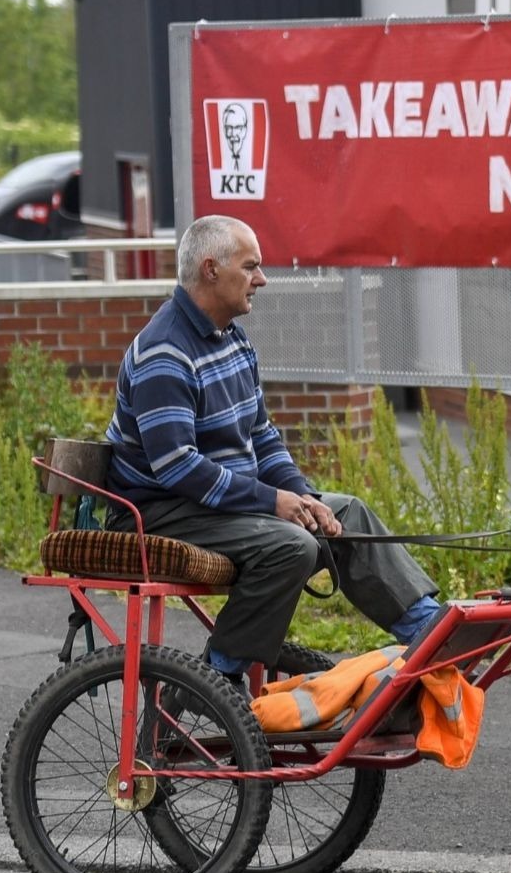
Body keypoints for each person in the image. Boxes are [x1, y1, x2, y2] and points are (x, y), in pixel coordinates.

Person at [105, 214, 441, 685]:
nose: (261, 279)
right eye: (250, 267)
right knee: (291, 547)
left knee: (347, 514)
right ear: (210, 270)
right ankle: (217, 679)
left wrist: (302, 496)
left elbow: (262, 436)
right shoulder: (166, 353)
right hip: (161, 510)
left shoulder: (230, 338)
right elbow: (177, 467)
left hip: (214, 504)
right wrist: (272, 501)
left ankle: (429, 629)